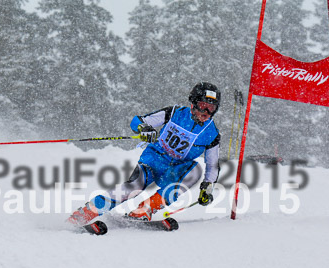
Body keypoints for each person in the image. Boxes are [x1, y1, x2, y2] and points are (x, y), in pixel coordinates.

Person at [67, 81, 222, 226]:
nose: (206, 112)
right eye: (203, 106)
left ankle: (143, 210)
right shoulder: (174, 113)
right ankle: (86, 213)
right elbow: (137, 120)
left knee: (194, 171)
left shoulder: (212, 134)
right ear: (193, 103)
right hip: (154, 159)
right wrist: (144, 128)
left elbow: (213, 165)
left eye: (211, 108)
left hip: (176, 169)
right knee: (134, 186)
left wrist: (207, 187)